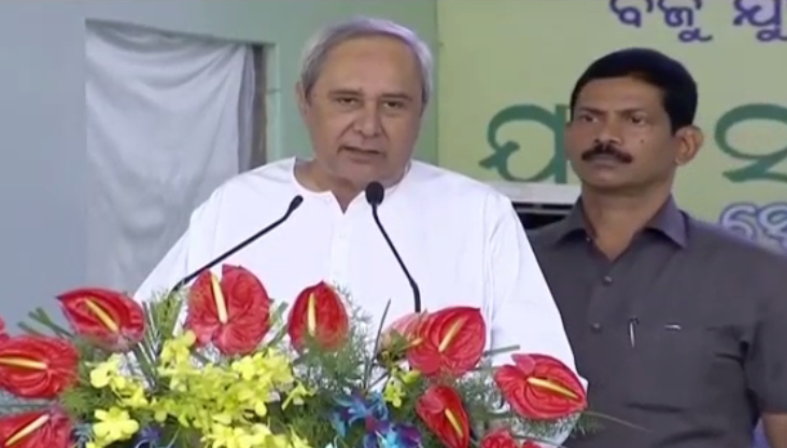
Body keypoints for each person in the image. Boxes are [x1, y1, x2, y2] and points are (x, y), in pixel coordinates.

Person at [135, 17, 580, 444]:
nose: (369, 127)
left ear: (421, 111)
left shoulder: (478, 215)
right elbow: (137, 354)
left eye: (393, 105)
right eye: (347, 101)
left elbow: (546, 391)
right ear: (304, 101)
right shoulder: (240, 207)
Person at [529, 48, 787, 448]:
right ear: (568, 135)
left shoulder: (764, 277)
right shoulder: (512, 261)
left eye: (634, 120)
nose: (605, 136)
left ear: (685, 144)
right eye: (589, 118)